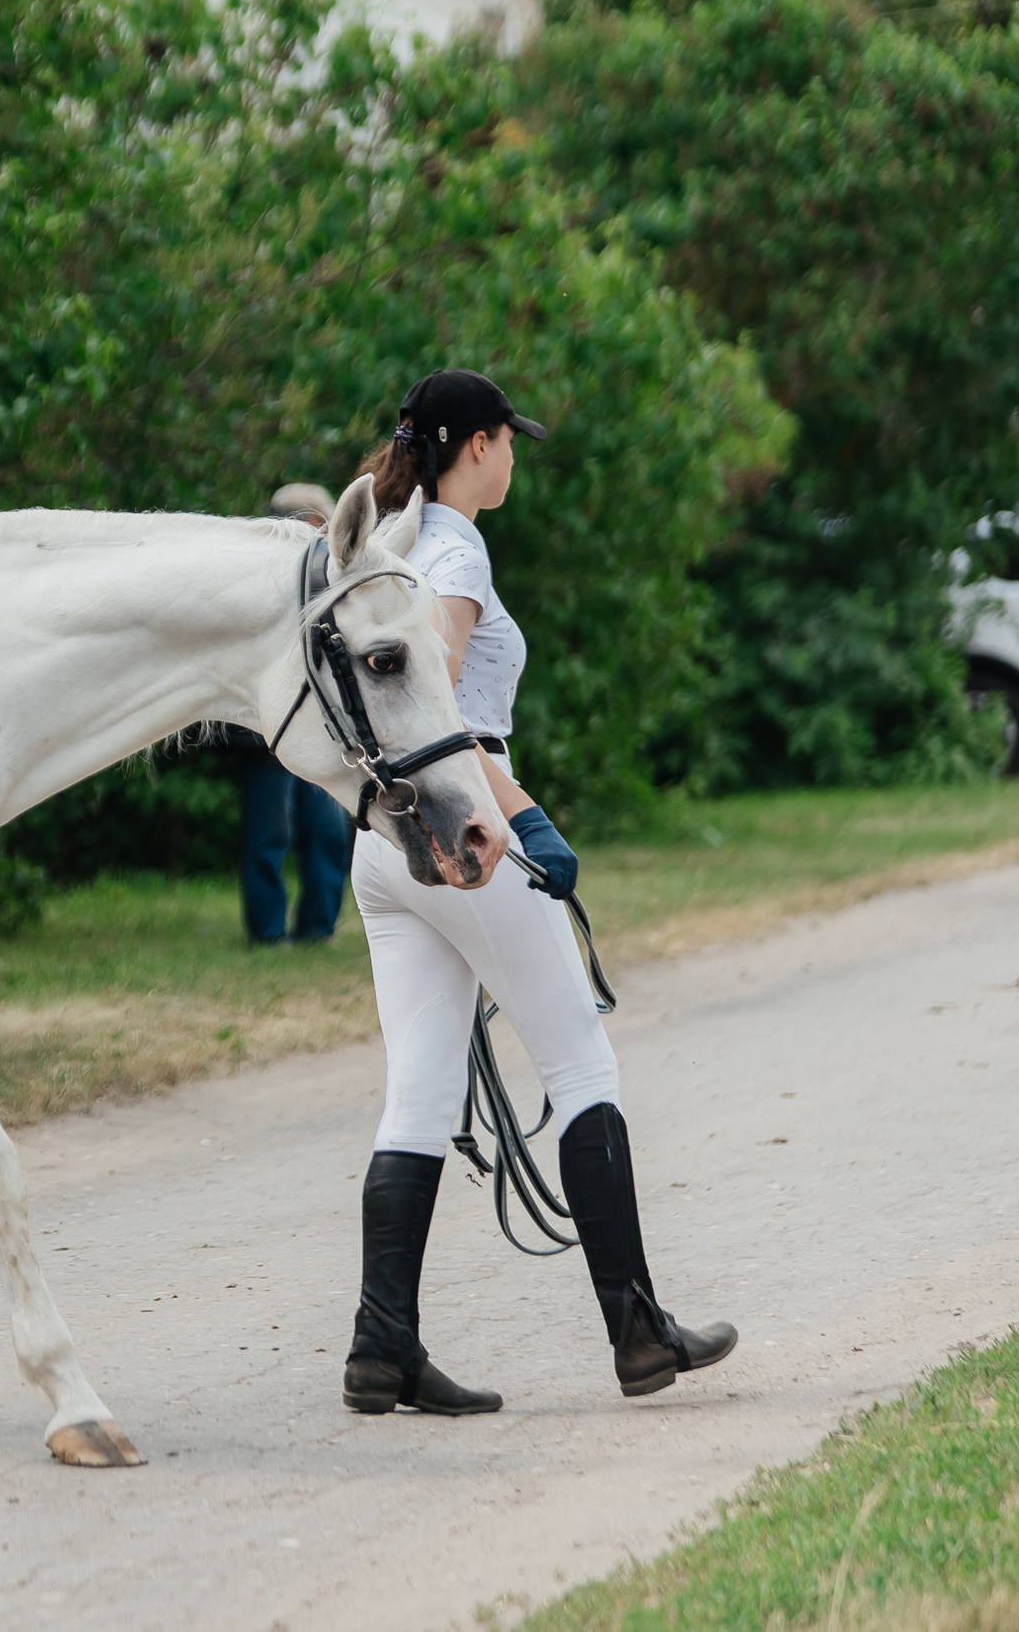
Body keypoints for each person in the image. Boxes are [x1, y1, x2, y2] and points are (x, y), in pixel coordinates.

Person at [338, 370, 736, 1415]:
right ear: (476, 444)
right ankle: (637, 1330)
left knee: (418, 1090)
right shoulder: (456, 546)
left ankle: (382, 1342)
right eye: (508, 440)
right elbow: (436, 701)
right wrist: (524, 817)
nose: (513, 457)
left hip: (379, 844)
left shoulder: (385, 532)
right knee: (579, 1060)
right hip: (463, 827)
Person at [230, 485, 353, 946]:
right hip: (265, 737)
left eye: (319, 523)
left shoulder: (337, 584)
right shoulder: (254, 585)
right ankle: (267, 933)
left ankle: (319, 928)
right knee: (269, 834)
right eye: (303, 522)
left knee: (326, 830)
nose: (313, 532)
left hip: (324, 732)